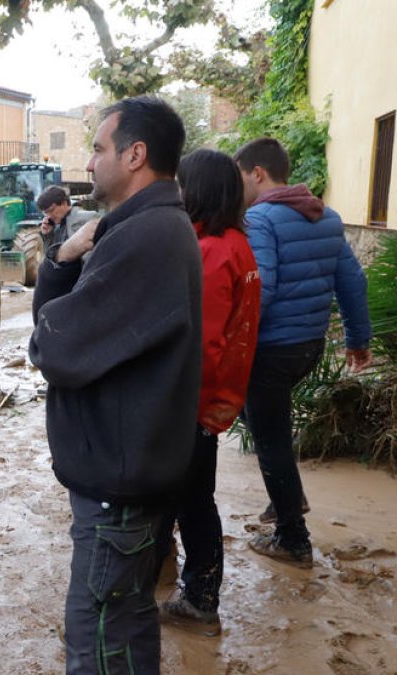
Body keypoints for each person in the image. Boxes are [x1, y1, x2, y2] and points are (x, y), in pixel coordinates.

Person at [28, 96, 201, 675]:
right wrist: (63, 258)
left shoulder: (145, 238)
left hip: (120, 487)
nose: (91, 160)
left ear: (135, 154)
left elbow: (52, 344)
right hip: (129, 474)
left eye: (99, 148)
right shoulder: (140, 229)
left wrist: (57, 298)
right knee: (125, 622)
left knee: (97, 637)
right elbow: (59, 328)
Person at [233, 138, 371, 568]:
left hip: (271, 350)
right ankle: (287, 495)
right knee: (257, 418)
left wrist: (230, 341)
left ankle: (293, 538)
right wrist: (358, 338)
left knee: (268, 435)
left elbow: (263, 289)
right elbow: (352, 281)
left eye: (240, 178)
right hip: (307, 348)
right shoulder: (327, 216)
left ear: (258, 173)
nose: (239, 188)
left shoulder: (260, 219)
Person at [156, 149, 262, 637]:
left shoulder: (213, 251)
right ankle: (177, 579)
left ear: (197, 191)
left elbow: (203, 341)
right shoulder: (236, 242)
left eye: (181, 184)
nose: (176, 193)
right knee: (190, 496)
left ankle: (200, 598)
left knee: (192, 500)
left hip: (195, 400)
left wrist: (172, 403)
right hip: (214, 397)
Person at [36, 185, 98, 250]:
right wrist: (48, 236)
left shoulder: (89, 218)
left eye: (51, 210)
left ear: (64, 203)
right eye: (45, 213)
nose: (48, 216)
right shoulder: (54, 228)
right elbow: (50, 258)